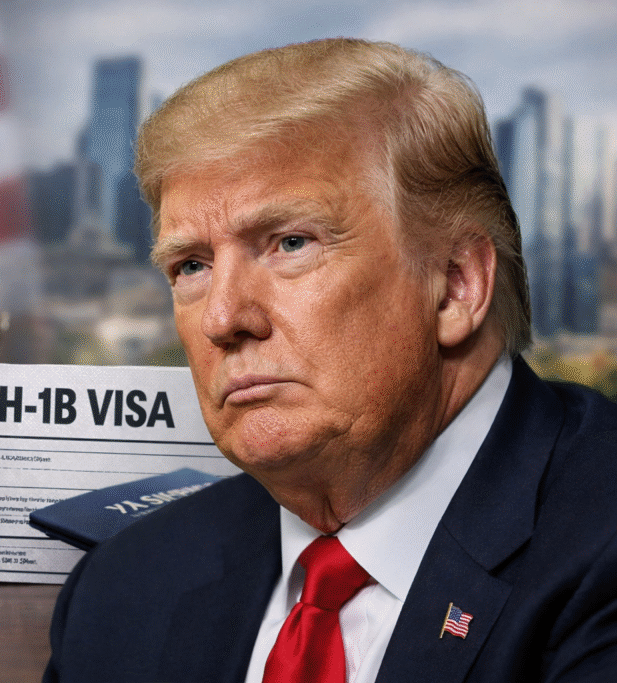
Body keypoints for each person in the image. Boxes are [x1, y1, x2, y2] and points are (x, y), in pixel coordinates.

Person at [43, 38, 617, 682]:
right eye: (192, 266)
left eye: (290, 242)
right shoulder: (122, 589)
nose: (223, 318)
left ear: (456, 285)